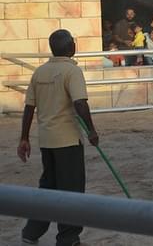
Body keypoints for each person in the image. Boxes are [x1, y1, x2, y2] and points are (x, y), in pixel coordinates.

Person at [17, 29, 99, 246]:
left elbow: (29, 107)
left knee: (49, 187)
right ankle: (68, 238)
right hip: (68, 141)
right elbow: (80, 102)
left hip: (47, 141)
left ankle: (31, 233)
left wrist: (24, 138)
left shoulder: (40, 72)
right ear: (71, 46)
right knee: (72, 190)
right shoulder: (71, 72)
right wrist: (92, 130)